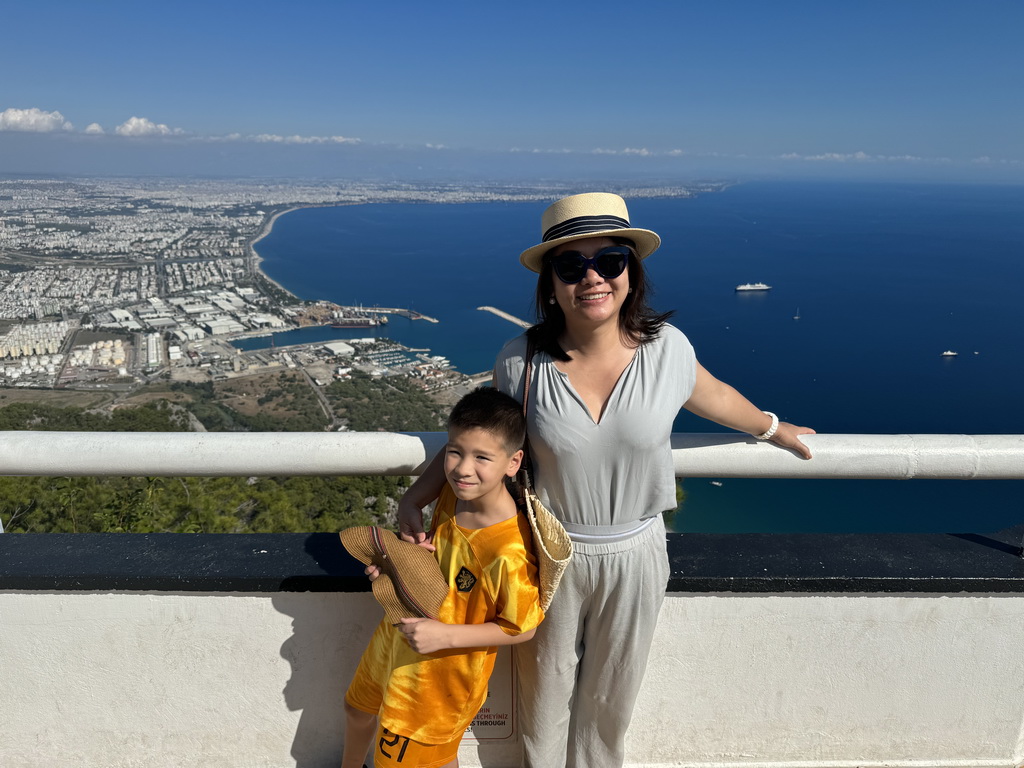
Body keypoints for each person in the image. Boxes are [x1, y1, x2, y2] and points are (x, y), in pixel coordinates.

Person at [398, 192, 815, 768]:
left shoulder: (667, 351)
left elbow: (714, 395)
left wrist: (773, 427)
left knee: (612, 695)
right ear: (551, 283)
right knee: (545, 693)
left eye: (610, 260)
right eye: (571, 266)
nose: (592, 278)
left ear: (631, 270)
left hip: (638, 552)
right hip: (548, 553)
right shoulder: (520, 361)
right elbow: (480, 440)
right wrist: (416, 499)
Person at [342, 387, 546, 768]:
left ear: (513, 462)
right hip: (397, 638)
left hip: (439, 678)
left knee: (410, 759)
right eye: (455, 451)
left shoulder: (507, 552)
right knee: (357, 709)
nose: (462, 468)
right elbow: (439, 567)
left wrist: (444, 636)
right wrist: (397, 565)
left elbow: (523, 627)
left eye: (482, 457)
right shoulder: (454, 495)